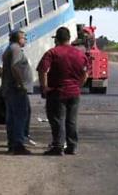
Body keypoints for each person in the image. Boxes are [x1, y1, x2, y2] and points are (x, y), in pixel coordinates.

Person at [37, 26, 88, 156]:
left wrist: (44, 87)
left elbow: (42, 70)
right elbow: (85, 74)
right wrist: (78, 86)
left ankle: (58, 146)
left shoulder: (52, 53)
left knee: (57, 119)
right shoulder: (80, 54)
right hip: (74, 93)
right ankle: (72, 146)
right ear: (69, 38)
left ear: (57, 39)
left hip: (57, 92)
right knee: (71, 120)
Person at [0, 38, 37, 147]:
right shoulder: (12, 50)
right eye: (24, 37)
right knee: (18, 115)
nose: (26, 39)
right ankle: (18, 142)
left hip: (14, 88)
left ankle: (21, 137)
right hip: (15, 89)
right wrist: (19, 82)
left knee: (24, 112)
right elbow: (3, 68)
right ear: (18, 39)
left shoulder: (14, 50)